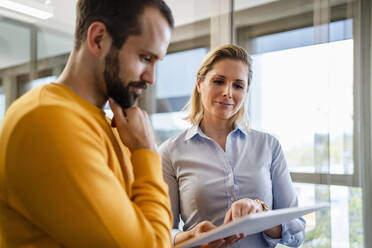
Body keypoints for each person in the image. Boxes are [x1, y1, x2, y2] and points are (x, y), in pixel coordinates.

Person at [0, 0, 174, 247]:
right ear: (98, 39)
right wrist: (146, 152)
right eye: (145, 57)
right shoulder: (48, 120)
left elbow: (138, 228)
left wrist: (184, 240)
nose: (151, 78)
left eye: (157, 62)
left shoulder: (112, 126)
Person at [159, 44, 306, 248]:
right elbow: (161, 232)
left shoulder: (268, 145)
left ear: (246, 91)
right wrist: (192, 237)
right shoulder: (171, 151)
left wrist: (261, 214)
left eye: (238, 85)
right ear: (199, 84)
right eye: (219, 81)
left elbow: (297, 232)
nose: (228, 92)